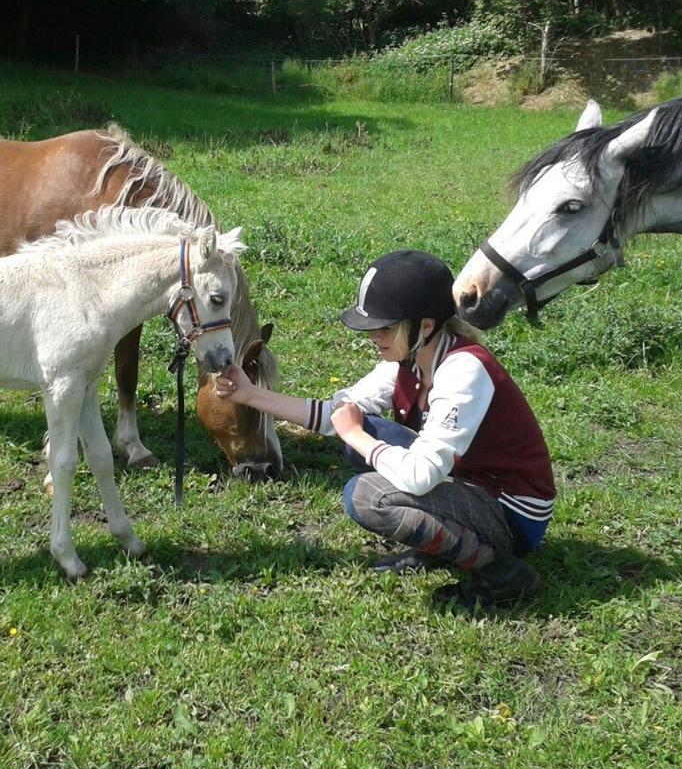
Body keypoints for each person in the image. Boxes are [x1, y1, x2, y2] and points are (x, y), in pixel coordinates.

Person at [214, 250, 554, 609]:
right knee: (360, 433)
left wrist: (356, 436)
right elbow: (336, 415)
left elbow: (420, 476)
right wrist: (248, 394)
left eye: (386, 327)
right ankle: (438, 546)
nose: (374, 336)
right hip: (472, 484)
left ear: (425, 326)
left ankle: (500, 573)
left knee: (366, 496)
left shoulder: (463, 371)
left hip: (512, 513)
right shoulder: (412, 358)